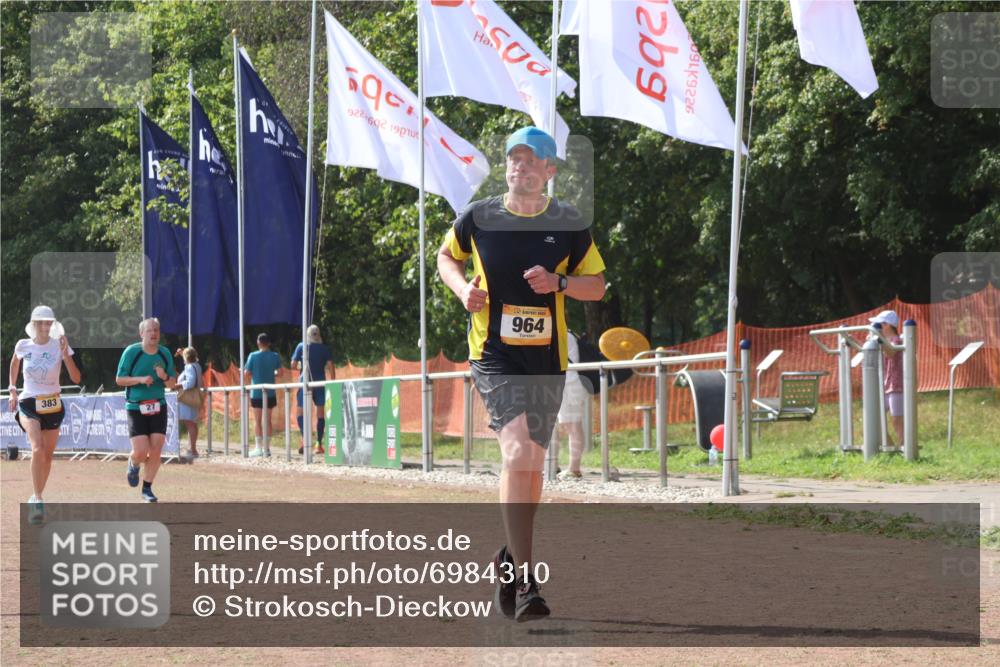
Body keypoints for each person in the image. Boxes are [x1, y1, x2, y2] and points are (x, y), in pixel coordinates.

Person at [436, 126, 606, 622]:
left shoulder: (568, 223)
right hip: (494, 355)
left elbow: (596, 286)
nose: (521, 166)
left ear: (550, 170)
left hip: (546, 361)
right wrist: (462, 290)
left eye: (532, 160)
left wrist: (559, 282)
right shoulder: (478, 217)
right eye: (514, 158)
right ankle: (526, 580)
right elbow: (446, 256)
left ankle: (510, 557)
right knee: (517, 452)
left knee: (531, 463)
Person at [8, 306, 81, 524]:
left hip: (52, 404)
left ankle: (36, 494)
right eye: (41, 322)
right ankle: (38, 500)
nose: (45, 326)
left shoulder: (60, 345)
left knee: (48, 456)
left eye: (48, 322)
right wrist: (12, 388)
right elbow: (14, 363)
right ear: (34, 324)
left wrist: (66, 354)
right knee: (37, 448)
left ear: (53, 324)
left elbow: (76, 378)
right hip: (29, 402)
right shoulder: (23, 345)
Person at [116, 318, 177, 502]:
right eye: (150, 330)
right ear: (141, 333)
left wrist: (164, 376)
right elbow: (119, 379)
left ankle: (147, 489)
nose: (154, 333)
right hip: (136, 406)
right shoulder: (132, 352)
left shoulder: (165, 353)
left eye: (156, 330)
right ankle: (133, 463)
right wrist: (140, 379)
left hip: (158, 405)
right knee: (141, 452)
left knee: (156, 449)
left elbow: (172, 384)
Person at [291, 325, 334, 456]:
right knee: (320, 414)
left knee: (300, 412)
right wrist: (333, 382)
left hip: (305, 382)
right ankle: (318, 444)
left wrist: (301, 365)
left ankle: (305, 439)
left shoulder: (301, 346)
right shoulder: (324, 348)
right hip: (320, 383)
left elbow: (293, 365)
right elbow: (331, 366)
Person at [556, 331, 588, 480]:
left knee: (572, 426)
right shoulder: (565, 333)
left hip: (569, 383)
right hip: (567, 382)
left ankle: (574, 468)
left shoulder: (562, 334)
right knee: (569, 426)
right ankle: (554, 464)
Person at [870, 309, 904, 447]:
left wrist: (879, 339)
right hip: (885, 385)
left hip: (896, 386)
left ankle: (906, 447)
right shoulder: (882, 341)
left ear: (887, 325)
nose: (875, 328)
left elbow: (890, 353)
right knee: (875, 419)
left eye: (878, 325)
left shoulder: (897, 340)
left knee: (897, 420)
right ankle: (891, 448)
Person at [245, 333, 282, 457]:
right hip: (270, 391)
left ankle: (258, 448)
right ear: (269, 343)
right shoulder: (275, 356)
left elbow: (246, 373)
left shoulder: (252, 356)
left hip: (256, 392)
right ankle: (267, 448)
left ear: (258, 342)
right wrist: (272, 374)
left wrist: (255, 373)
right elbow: (280, 373)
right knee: (268, 420)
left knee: (257, 420)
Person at [175, 347, 202, 459]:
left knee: (189, 423)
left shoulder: (190, 367)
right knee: (192, 423)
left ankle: (193, 449)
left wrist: (178, 385)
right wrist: (183, 353)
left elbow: (190, 382)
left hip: (188, 397)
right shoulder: (196, 365)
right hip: (193, 396)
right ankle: (192, 448)